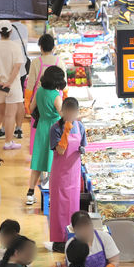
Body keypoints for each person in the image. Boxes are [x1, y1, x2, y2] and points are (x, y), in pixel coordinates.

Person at [49, 97, 86, 250]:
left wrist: (82, 149)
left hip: (74, 173)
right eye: (68, 112)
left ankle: (72, 237)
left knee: (73, 205)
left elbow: (83, 145)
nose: (71, 115)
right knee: (59, 206)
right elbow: (60, 150)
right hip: (60, 173)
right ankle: (59, 240)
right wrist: (66, 130)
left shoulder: (80, 127)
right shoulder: (55, 128)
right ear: (63, 111)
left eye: (73, 112)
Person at [26, 66, 66, 206]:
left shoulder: (39, 91)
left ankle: (30, 194)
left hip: (41, 127)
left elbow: (30, 109)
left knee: (38, 161)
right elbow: (63, 116)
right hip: (54, 128)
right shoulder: (56, 96)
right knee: (52, 161)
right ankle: (51, 194)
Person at [0, 20, 25, 150]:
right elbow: (17, 67)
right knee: (10, 115)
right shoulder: (15, 47)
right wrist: (9, 82)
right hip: (13, 87)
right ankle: (8, 142)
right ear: (10, 31)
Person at [26, 34, 67, 154]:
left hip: (39, 98)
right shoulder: (59, 61)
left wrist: (27, 103)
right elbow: (65, 85)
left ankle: (37, 152)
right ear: (53, 47)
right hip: (55, 99)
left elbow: (30, 84)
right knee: (56, 126)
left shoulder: (35, 62)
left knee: (37, 127)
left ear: (40, 47)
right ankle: (52, 154)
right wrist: (65, 98)